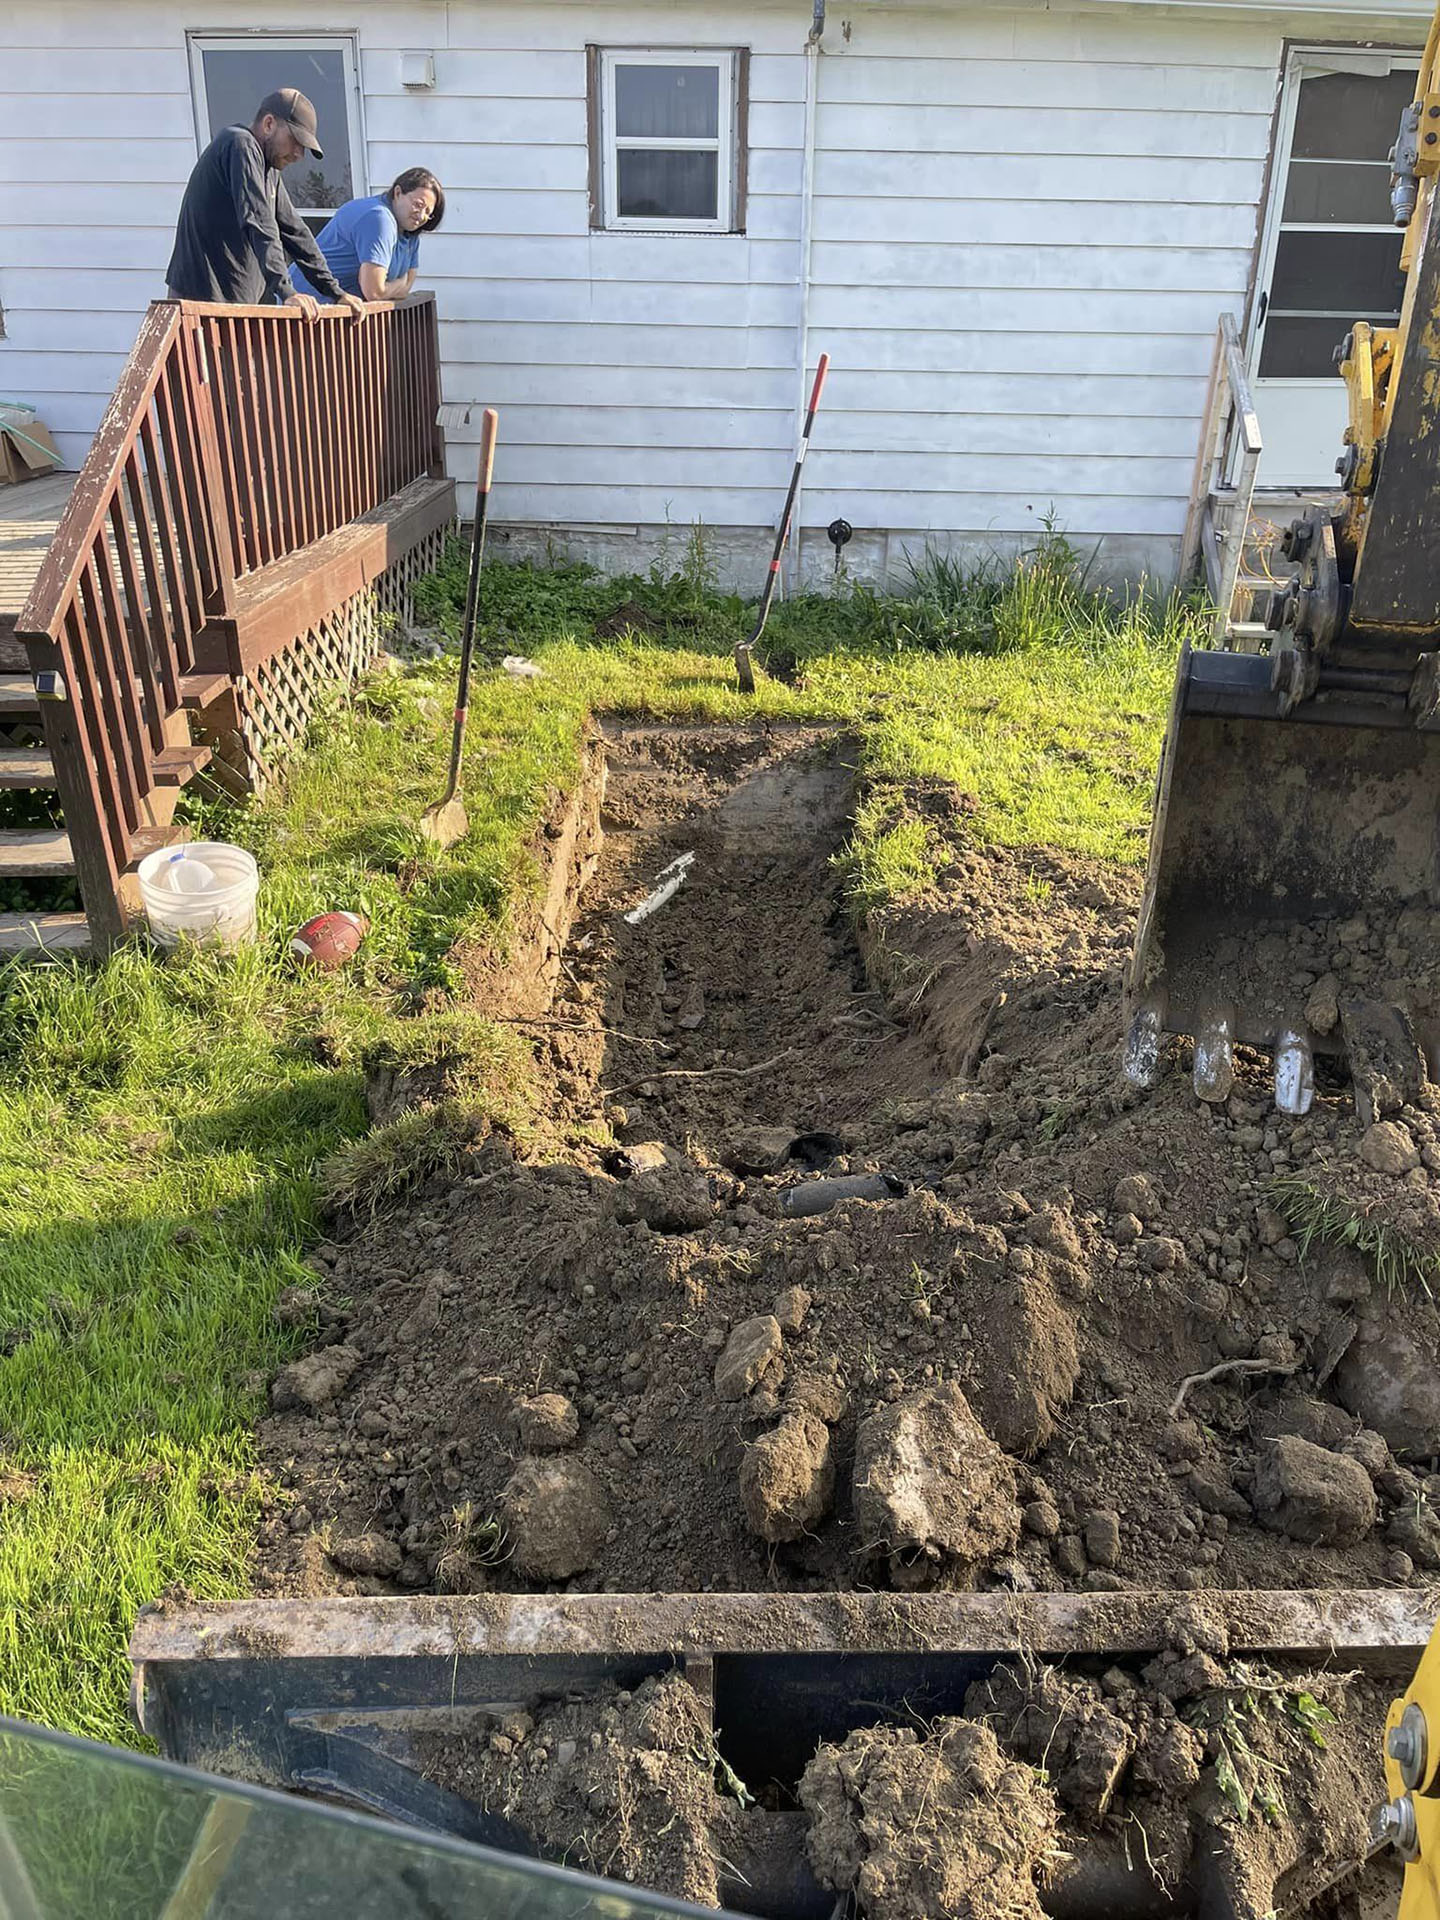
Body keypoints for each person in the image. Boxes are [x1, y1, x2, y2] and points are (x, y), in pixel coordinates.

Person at [165, 88, 365, 321]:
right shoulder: (239, 144)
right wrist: (286, 291)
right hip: (200, 306)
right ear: (269, 124)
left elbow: (295, 232)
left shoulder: (269, 170)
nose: (299, 154)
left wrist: (335, 292)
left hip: (235, 307)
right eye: (296, 141)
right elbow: (259, 221)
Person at [291, 168, 445, 304]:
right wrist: (399, 285)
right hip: (308, 307)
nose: (421, 215)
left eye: (428, 212)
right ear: (397, 193)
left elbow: (407, 285)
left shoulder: (410, 233)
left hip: (343, 309)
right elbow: (374, 292)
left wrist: (396, 288)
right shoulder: (379, 218)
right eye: (418, 204)